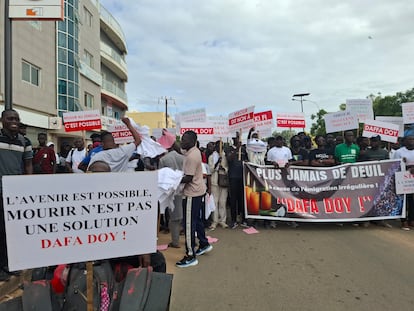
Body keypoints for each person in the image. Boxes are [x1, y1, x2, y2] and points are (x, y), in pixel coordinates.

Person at [0, 109, 33, 281]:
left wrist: (26, 187)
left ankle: (8, 265)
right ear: (2, 120)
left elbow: (28, 166)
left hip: (15, 194)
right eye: (10, 118)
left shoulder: (24, 141)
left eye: (17, 118)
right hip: (0, 190)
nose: (14, 121)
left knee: (11, 231)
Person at [176, 130, 212, 268]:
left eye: (184, 140)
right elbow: (179, 150)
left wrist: (170, 179)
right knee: (196, 220)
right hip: (198, 191)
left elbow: (188, 178)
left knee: (188, 224)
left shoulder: (192, 156)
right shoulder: (193, 151)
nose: (182, 142)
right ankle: (203, 243)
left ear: (192, 141)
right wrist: (171, 141)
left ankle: (190, 255)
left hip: (192, 193)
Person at [158, 130, 184, 248]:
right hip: (183, 189)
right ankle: (191, 240)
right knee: (185, 218)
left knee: (174, 219)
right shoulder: (183, 158)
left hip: (171, 192)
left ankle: (175, 242)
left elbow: (161, 178)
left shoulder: (163, 160)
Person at [226, 132, 249, 229]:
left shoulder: (244, 149)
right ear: (233, 139)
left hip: (242, 177)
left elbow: (248, 161)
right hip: (233, 177)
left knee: (242, 199)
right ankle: (234, 220)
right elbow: (229, 159)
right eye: (236, 138)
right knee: (233, 199)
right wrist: (237, 149)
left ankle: (243, 219)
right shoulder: (229, 148)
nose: (238, 139)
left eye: (239, 137)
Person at [392, 134, 414, 230]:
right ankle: (404, 221)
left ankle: (412, 220)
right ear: (404, 141)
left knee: (412, 200)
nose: (411, 141)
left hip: (412, 178)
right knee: (404, 200)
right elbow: (393, 165)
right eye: (409, 139)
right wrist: (402, 163)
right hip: (403, 178)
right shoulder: (399, 152)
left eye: (413, 139)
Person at [208, 140, 229, 229]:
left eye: (221, 146)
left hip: (223, 182)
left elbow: (228, 168)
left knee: (223, 202)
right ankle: (215, 221)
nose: (220, 148)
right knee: (215, 202)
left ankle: (223, 220)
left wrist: (223, 168)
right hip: (214, 182)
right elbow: (210, 169)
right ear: (215, 147)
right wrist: (217, 164)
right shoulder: (211, 157)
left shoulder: (225, 156)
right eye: (218, 146)